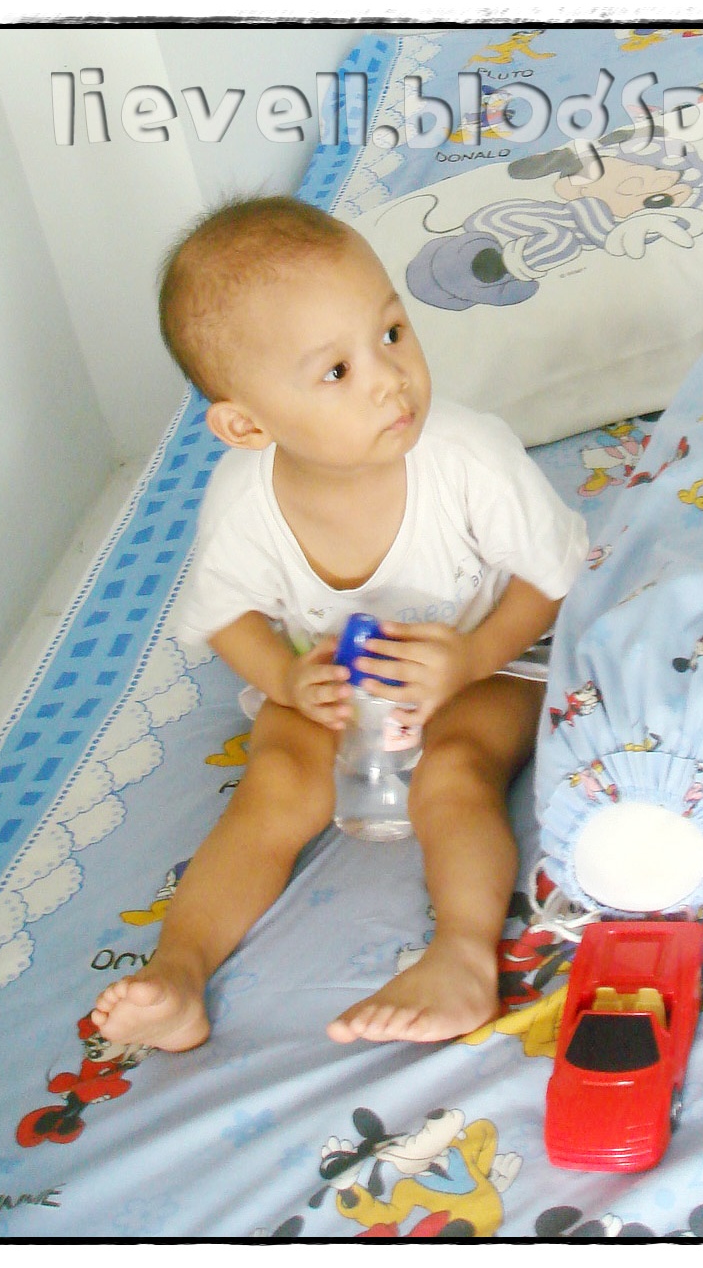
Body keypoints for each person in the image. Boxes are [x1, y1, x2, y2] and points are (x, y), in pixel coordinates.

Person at [90, 196, 588, 1049]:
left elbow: (554, 580)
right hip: (328, 681)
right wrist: (286, 679)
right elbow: (227, 617)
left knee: (456, 771)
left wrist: (471, 657)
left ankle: (463, 956)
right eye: (337, 371)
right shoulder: (244, 504)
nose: (391, 378)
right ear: (247, 424)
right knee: (274, 786)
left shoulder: (468, 456)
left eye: (391, 332)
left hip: (488, 657)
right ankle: (178, 970)